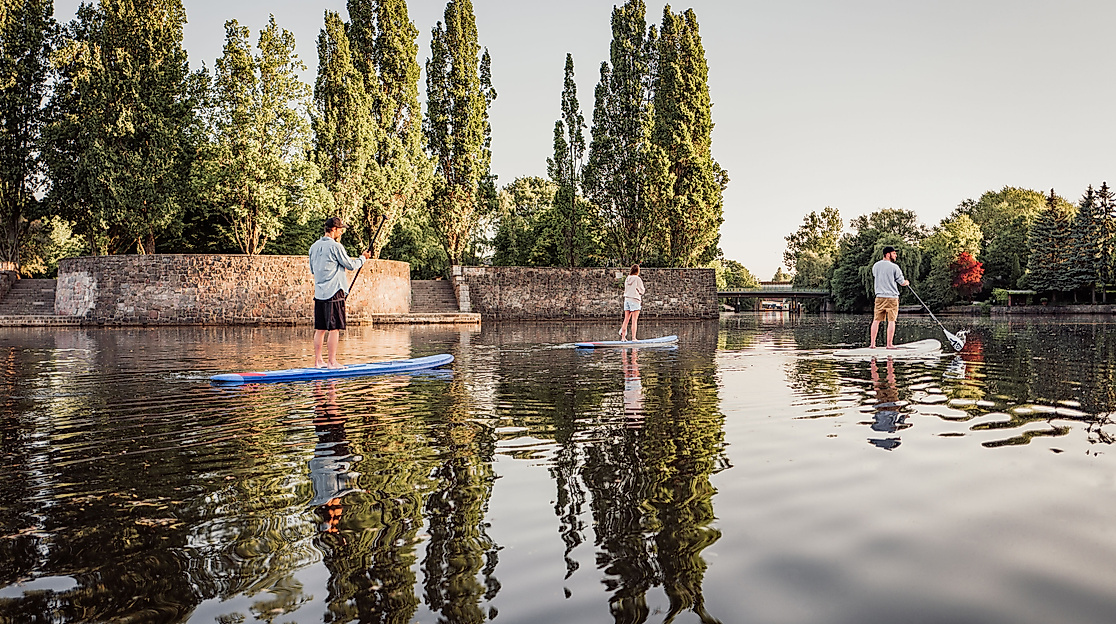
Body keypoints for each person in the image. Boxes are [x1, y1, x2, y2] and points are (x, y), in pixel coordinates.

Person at [309, 217, 371, 368]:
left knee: (321, 329)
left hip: (319, 293)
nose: (342, 231)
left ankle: (318, 361)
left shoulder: (313, 247)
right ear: (334, 229)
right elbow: (350, 265)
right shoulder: (336, 247)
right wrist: (363, 258)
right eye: (340, 229)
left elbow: (313, 270)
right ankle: (332, 362)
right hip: (334, 292)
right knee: (334, 328)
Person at [870, 246, 910, 349]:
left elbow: (876, 276)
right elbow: (901, 282)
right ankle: (889, 344)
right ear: (888, 254)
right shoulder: (894, 267)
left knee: (876, 320)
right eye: (894, 253)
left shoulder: (875, 266)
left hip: (879, 297)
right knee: (892, 320)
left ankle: (872, 344)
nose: (896, 255)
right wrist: (906, 282)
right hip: (892, 297)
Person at [618, 264, 645, 341]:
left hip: (627, 299)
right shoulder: (637, 279)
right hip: (635, 299)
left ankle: (623, 338)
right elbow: (642, 290)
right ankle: (633, 338)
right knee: (634, 320)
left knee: (626, 319)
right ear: (637, 271)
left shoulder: (627, 279)